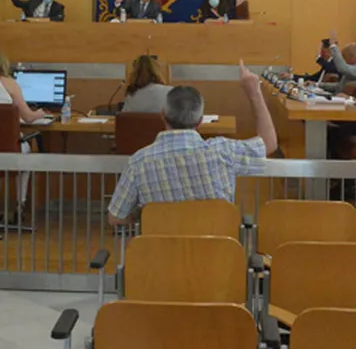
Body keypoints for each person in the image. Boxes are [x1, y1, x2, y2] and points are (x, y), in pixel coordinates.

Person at [107, 60, 277, 225]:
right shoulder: (224, 152)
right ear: (200, 121)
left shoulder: (138, 162)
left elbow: (115, 218)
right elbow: (268, 143)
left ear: (163, 115)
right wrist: (254, 93)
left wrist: (143, 216)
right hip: (215, 244)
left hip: (162, 244)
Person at [0, 50, 48, 219]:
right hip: (6, 148)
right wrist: (40, 113)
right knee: (26, 155)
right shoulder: (9, 83)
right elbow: (28, 117)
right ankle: (20, 206)